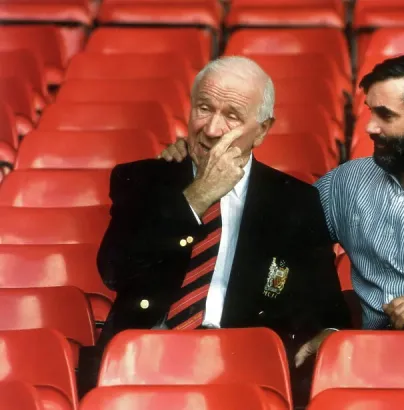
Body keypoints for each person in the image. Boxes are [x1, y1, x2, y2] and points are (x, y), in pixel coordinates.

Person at [161, 52, 404, 410]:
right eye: (371, 113)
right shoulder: (350, 183)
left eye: (385, 116)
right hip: (369, 358)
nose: (370, 127)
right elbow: (282, 225)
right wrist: (195, 166)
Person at [78, 56, 351, 401]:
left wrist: (325, 334)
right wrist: (197, 197)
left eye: (232, 116)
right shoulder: (143, 179)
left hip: (240, 367)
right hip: (144, 358)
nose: (210, 129)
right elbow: (114, 271)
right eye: (204, 108)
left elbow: (326, 308)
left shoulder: (294, 201)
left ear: (263, 130)